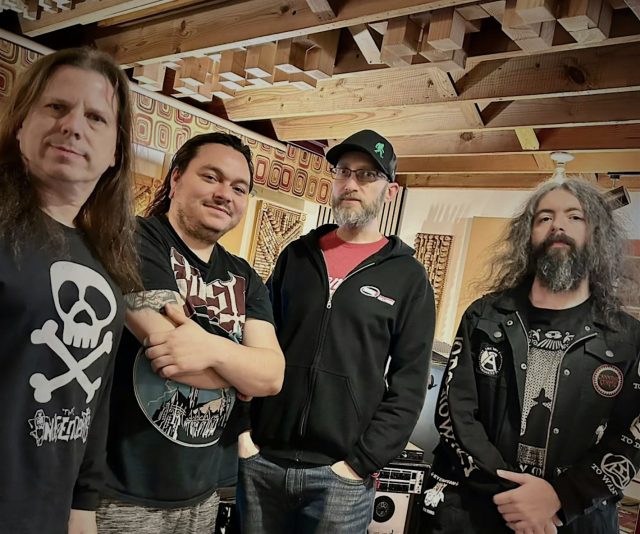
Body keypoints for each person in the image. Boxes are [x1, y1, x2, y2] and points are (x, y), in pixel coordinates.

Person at [238, 129, 436, 533]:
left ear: (390, 192)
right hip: (262, 463)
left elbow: (410, 385)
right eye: (344, 171)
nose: (351, 184)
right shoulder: (296, 256)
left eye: (367, 175)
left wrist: (359, 463)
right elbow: (252, 342)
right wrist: (243, 434)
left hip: (341, 480)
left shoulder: (408, 278)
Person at [422, 178, 640, 534]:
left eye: (575, 217)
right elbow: (455, 415)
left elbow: (631, 437)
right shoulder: (483, 317)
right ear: (528, 235)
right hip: (476, 513)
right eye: (545, 217)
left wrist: (561, 499)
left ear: (598, 235)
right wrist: (516, 497)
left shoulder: (628, 338)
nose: (558, 225)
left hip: (577, 520)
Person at [98, 132, 285, 534]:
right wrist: (242, 372)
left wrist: (211, 350)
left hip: (202, 495)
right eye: (211, 177)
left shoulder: (245, 277)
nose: (224, 194)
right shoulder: (134, 237)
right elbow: (170, 352)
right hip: (122, 490)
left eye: (238, 188)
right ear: (176, 178)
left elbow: (272, 377)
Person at [0, 48, 140, 534]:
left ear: (115, 151)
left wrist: (82, 505)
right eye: (56, 107)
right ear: (22, 124)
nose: (73, 126)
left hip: (47, 511)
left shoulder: (105, 259)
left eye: (96, 117)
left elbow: (94, 398)